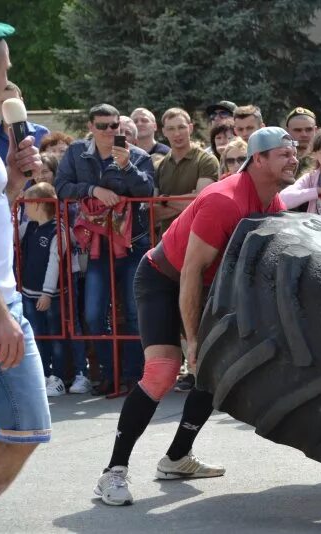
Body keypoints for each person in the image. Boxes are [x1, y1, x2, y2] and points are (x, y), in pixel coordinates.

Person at [93, 127, 296, 506]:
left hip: (205, 286)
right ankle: (113, 472)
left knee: (213, 370)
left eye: (294, 151)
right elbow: (188, 273)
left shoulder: (273, 204)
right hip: (162, 279)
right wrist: (194, 341)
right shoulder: (225, 200)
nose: (294, 158)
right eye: (284, 153)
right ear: (259, 159)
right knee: (163, 372)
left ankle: (176, 458)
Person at [0, 20, 49, 506]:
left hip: (6, 302)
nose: (11, 75)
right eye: (7, 66)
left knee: (27, 428)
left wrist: (11, 177)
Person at [54, 103, 155, 396]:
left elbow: (147, 192)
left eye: (115, 126)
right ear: (90, 128)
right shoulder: (76, 153)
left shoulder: (137, 156)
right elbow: (60, 186)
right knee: (94, 313)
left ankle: (134, 377)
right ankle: (110, 374)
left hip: (134, 245)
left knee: (136, 314)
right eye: (103, 126)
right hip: (98, 247)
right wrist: (92, 190)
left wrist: (126, 167)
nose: (110, 131)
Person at [18, 183, 90, 396]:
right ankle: (43, 375)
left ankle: (58, 377)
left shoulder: (59, 230)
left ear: (39, 204)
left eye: (28, 203)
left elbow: (55, 262)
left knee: (55, 334)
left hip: (52, 295)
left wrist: (47, 292)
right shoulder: (29, 226)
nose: (24, 208)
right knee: (37, 335)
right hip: (29, 292)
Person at [154, 108, 220, 232]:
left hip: (198, 238)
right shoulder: (159, 165)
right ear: (164, 132)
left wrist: (165, 200)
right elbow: (154, 213)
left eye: (181, 127)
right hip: (165, 241)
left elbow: (202, 203)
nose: (177, 133)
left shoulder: (206, 160)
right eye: (171, 129)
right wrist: (189, 200)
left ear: (190, 128)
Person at [0, 81, 50, 162]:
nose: (9, 107)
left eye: (13, 101)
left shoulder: (42, 133)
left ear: (22, 102)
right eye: (3, 102)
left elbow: (51, 166)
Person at [286, 106, 318, 177]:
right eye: (298, 130)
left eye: (309, 129)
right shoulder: (280, 160)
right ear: (287, 132)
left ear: (315, 130)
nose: (304, 134)